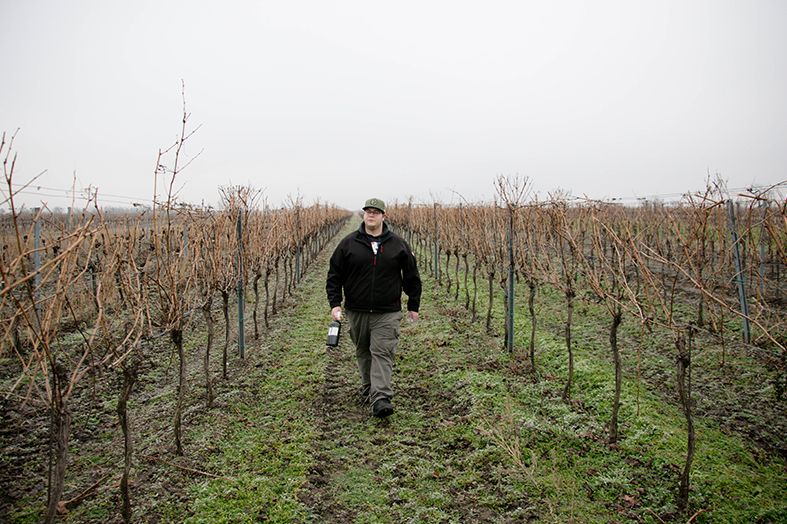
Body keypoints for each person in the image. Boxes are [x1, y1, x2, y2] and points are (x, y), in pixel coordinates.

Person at [326, 197, 422, 418]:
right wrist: (335, 303)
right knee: (363, 350)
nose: (371, 214)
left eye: (375, 212)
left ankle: (381, 397)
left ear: (383, 216)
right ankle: (369, 386)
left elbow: (411, 276)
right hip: (356, 310)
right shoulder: (348, 244)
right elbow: (334, 275)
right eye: (368, 211)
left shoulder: (398, 244)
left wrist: (413, 304)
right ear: (364, 215)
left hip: (387, 311)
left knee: (382, 351)